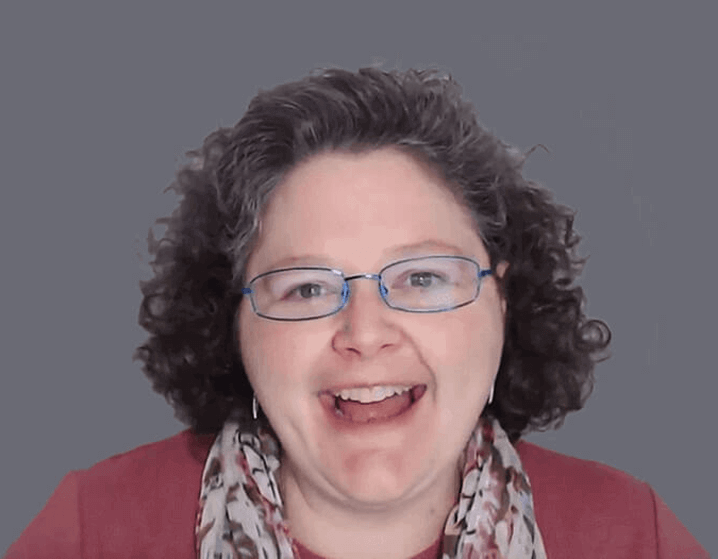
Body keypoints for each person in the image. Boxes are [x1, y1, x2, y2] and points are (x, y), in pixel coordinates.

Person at [5, 67, 708, 559]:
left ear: (503, 300)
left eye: (424, 276)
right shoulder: (92, 530)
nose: (365, 334)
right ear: (234, 324)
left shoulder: (630, 534)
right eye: (307, 288)